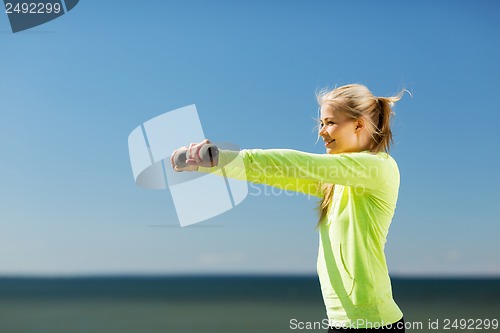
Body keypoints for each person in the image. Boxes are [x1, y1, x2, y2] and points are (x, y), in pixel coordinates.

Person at [171, 83, 407, 332]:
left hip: (375, 323)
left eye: (330, 123)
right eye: (321, 123)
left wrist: (221, 156)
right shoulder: (335, 181)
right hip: (341, 322)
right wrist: (207, 164)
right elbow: (273, 174)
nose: (322, 132)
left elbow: (297, 164)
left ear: (358, 125)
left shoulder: (379, 167)